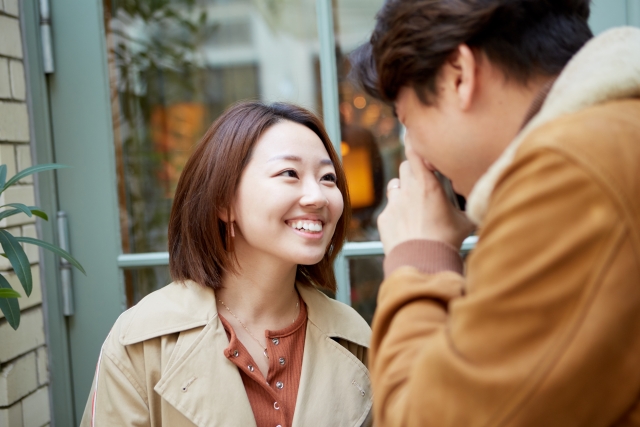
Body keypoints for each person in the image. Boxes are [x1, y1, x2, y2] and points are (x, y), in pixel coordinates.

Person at [351, 0, 640, 425]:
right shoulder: (612, 133)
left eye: (407, 120)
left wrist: (419, 258)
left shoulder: (566, 176)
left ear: (459, 75)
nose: (415, 154)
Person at [80, 102, 373, 427]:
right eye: (289, 173)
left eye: (328, 177)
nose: (317, 196)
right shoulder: (141, 343)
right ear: (224, 202)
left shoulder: (356, 339)